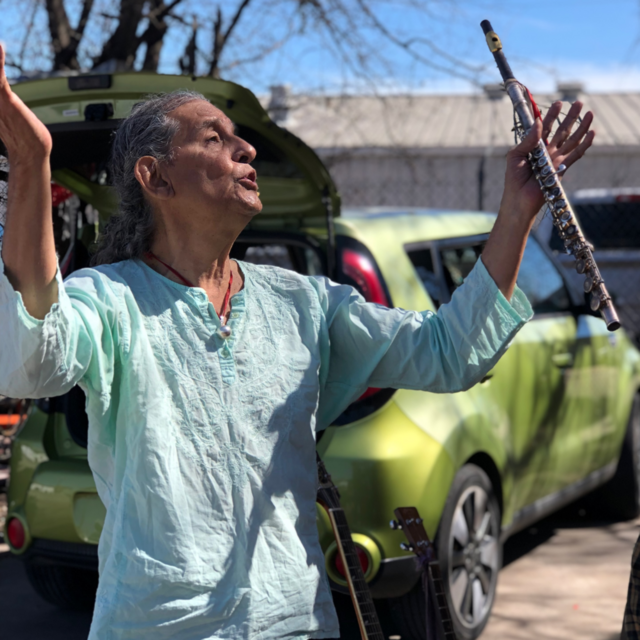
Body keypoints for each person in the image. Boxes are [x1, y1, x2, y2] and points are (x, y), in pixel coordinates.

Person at [0, 42, 595, 640]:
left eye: (239, 137)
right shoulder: (110, 298)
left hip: (293, 622)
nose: (246, 149)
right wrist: (31, 159)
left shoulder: (304, 304)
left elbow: (450, 353)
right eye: (213, 138)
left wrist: (519, 209)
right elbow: (33, 360)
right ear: (154, 176)